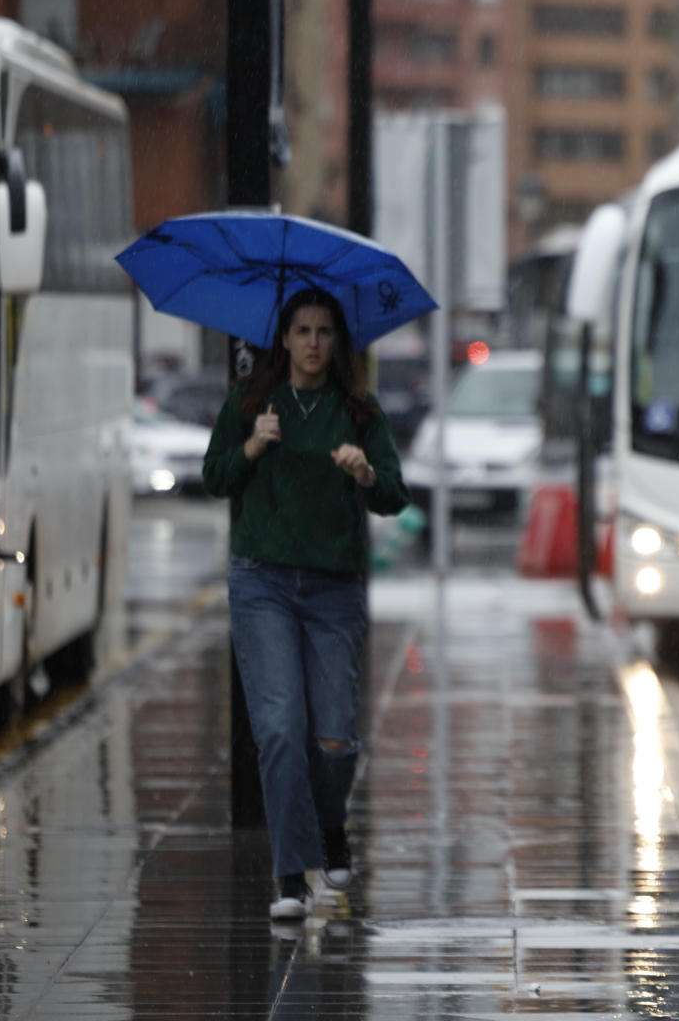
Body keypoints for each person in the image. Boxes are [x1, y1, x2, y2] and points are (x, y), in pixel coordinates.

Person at [201, 287, 410, 920]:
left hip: (333, 588)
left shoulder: (358, 409)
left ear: (337, 341)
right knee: (280, 729)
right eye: (302, 331)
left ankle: (331, 825)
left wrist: (365, 474)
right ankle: (290, 875)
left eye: (324, 332)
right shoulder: (251, 402)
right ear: (285, 339)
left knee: (336, 737)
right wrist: (252, 445)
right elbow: (214, 476)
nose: (314, 343)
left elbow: (395, 494)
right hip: (261, 582)